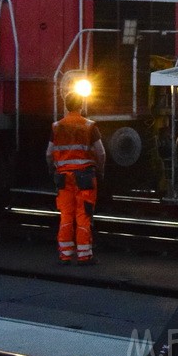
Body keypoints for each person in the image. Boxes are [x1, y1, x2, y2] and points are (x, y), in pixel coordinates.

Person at [47, 92, 106, 265]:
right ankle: (84, 256)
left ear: (66, 105)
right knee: (83, 215)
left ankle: (65, 255)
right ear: (81, 105)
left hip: (64, 177)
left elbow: (49, 153)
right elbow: (101, 152)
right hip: (85, 177)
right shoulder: (89, 126)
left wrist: (53, 169)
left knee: (66, 215)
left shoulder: (57, 126)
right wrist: (100, 171)